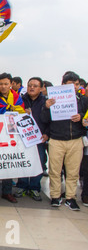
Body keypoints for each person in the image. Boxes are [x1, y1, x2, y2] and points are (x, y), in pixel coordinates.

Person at [41, 71, 88, 211]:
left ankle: (70, 197)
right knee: (54, 170)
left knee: (73, 171)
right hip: (56, 139)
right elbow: (44, 120)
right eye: (70, 84)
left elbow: (86, 117)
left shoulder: (83, 100)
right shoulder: (52, 99)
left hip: (75, 139)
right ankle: (55, 196)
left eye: (76, 84)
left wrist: (81, 117)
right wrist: (46, 107)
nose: (74, 87)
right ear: (63, 85)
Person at [0, 73, 25, 203]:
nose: (3, 86)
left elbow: (21, 111)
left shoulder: (16, 97)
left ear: (11, 84)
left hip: (11, 134)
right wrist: (8, 108)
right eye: (1, 84)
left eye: (6, 84)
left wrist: (11, 108)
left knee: (9, 163)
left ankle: (7, 192)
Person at [14, 77, 50, 201]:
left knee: (38, 162)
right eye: (30, 85)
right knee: (23, 161)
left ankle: (34, 187)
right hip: (24, 138)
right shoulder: (20, 100)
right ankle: (22, 186)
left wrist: (47, 134)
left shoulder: (46, 102)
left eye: (35, 85)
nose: (32, 88)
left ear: (41, 88)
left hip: (39, 138)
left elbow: (50, 120)